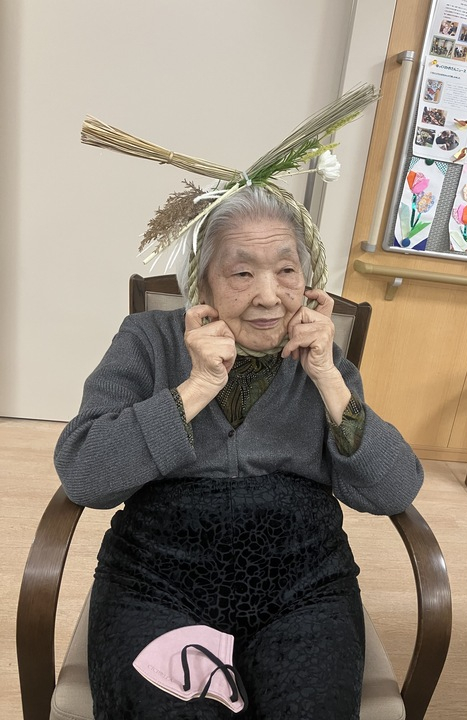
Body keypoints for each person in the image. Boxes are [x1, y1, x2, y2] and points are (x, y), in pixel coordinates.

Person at [59, 90, 423, 719]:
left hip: (302, 583)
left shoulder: (320, 358)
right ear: (201, 282)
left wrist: (328, 377)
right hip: (159, 580)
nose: (269, 296)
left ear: (308, 280)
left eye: (286, 271)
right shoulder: (147, 340)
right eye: (242, 272)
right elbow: (85, 474)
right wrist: (197, 385)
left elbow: (394, 489)